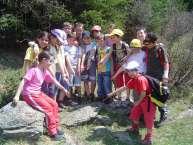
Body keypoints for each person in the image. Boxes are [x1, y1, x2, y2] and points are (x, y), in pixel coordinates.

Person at [13, 51, 69, 141]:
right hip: (30, 94)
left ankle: (56, 127)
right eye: (50, 61)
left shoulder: (44, 71)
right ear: (43, 60)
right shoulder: (33, 70)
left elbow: (54, 81)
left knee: (54, 104)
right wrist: (17, 96)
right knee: (48, 109)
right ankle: (52, 133)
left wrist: (64, 89)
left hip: (38, 93)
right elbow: (23, 81)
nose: (51, 63)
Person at [108, 61, 156, 145]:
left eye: (130, 71)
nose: (128, 73)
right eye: (128, 71)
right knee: (134, 113)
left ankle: (149, 138)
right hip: (142, 101)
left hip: (149, 102)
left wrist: (137, 102)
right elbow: (124, 87)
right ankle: (135, 129)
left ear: (136, 70)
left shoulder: (141, 79)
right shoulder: (133, 79)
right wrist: (112, 93)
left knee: (149, 119)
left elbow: (143, 93)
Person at [143, 32, 169, 127]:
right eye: (145, 42)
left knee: (160, 96)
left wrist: (165, 74)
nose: (146, 44)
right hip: (149, 77)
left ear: (154, 42)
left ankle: (164, 114)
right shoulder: (145, 47)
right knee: (151, 96)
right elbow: (135, 49)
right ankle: (150, 116)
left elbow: (166, 63)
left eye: (148, 42)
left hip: (159, 77)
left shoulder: (160, 49)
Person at [63, 33, 82, 103]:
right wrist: (70, 68)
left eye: (72, 39)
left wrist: (78, 67)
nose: (71, 41)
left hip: (76, 67)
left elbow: (79, 58)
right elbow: (66, 58)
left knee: (78, 83)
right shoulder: (65, 48)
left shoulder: (77, 48)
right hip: (68, 68)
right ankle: (69, 98)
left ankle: (79, 97)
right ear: (67, 40)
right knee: (69, 83)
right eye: (69, 39)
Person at [80, 31, 97, 101]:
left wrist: (89, 63)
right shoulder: (82, 46)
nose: (86, 40)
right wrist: (82, 64)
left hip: (92, 64)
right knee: (85, 80)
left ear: (91, 38)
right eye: (84, 38)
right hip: (84, 64)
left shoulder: (94, 44)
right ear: (82, 39)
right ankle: (88, 94)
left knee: (93, 79)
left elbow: (92, 54)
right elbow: (83, 55)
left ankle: (92, 93)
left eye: (88, 38)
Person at [96, 33, 112, 102]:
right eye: (99, 40)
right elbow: (98, 59)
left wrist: (112, 69)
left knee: (107, 84)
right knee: (100, 84)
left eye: (102, 40)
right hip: (100, 70)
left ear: (105, 41)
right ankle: (101, 96)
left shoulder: (108, 49)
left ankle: (108, 97)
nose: (100, 42)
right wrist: (98, 68)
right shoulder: (98, 49)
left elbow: (110, 60)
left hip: (107, 70)